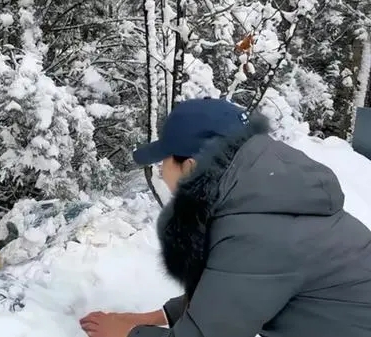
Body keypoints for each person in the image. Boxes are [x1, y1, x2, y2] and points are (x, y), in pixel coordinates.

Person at [79, 98, 371, 337]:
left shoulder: (259, 230)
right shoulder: (265, 198)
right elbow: (236, 289)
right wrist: (157, 317)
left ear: (190, 167)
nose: (160, 175)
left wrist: (128, 333)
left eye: (162, 165)